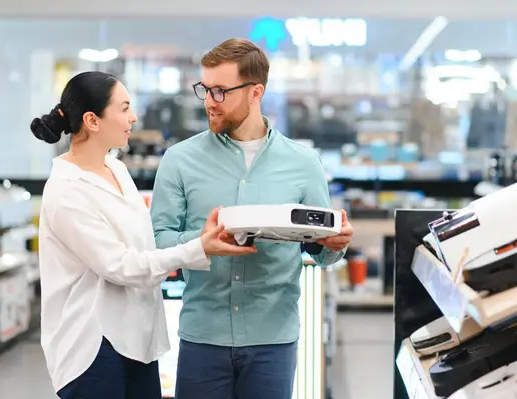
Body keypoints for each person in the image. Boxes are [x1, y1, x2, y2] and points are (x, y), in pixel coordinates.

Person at [31, 71, 257, 399]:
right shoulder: (66, 191)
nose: (133, 117)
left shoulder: (116, 169)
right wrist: (199, 248)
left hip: (136, 341)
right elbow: (120, 266)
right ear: (93, 120)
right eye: (123, 109)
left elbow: (144, 244)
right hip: (92, 347)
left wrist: (201, 236)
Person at [150, 38, 354, 399]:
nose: (209, 102)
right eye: (205, 90)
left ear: (255, 92)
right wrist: (201, 244)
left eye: (220, 91)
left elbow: (324, 250)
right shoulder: (179, 160)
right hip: (203, 337)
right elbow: (158, 241)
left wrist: (336, 244)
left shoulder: (303, 163)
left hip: (273, 341)